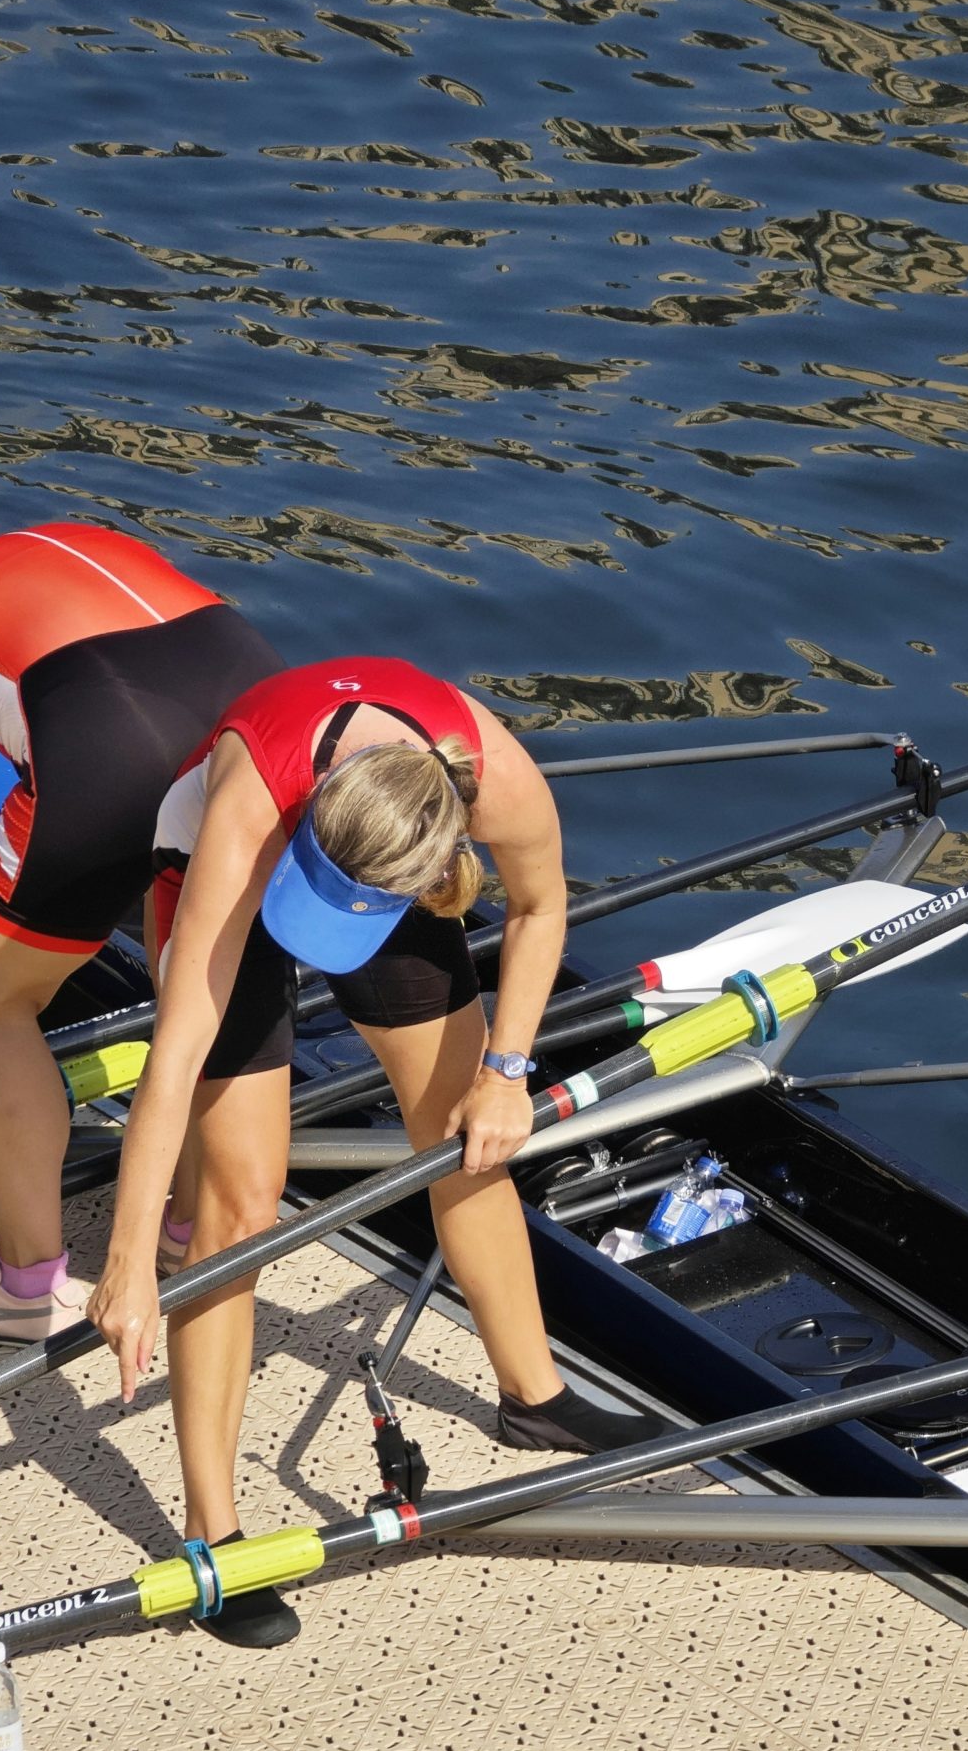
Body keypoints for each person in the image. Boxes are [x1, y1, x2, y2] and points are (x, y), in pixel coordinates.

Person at [89, 656, 651, 1648]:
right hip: (228, 876)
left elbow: (537, 907)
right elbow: (171, 1059)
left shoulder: (494, 777)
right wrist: (130, 1267)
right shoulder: (253, 800)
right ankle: (211, 1537)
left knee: (467, 1138)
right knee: (240, 1210)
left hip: (379, 860)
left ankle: (537, 1399)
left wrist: (509, 1073)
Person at [0, 483, 280, 1339]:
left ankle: (25, 1287)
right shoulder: (60, 535)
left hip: (105, 729)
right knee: (195, 976)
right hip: (261, 701)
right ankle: (188, 1231)